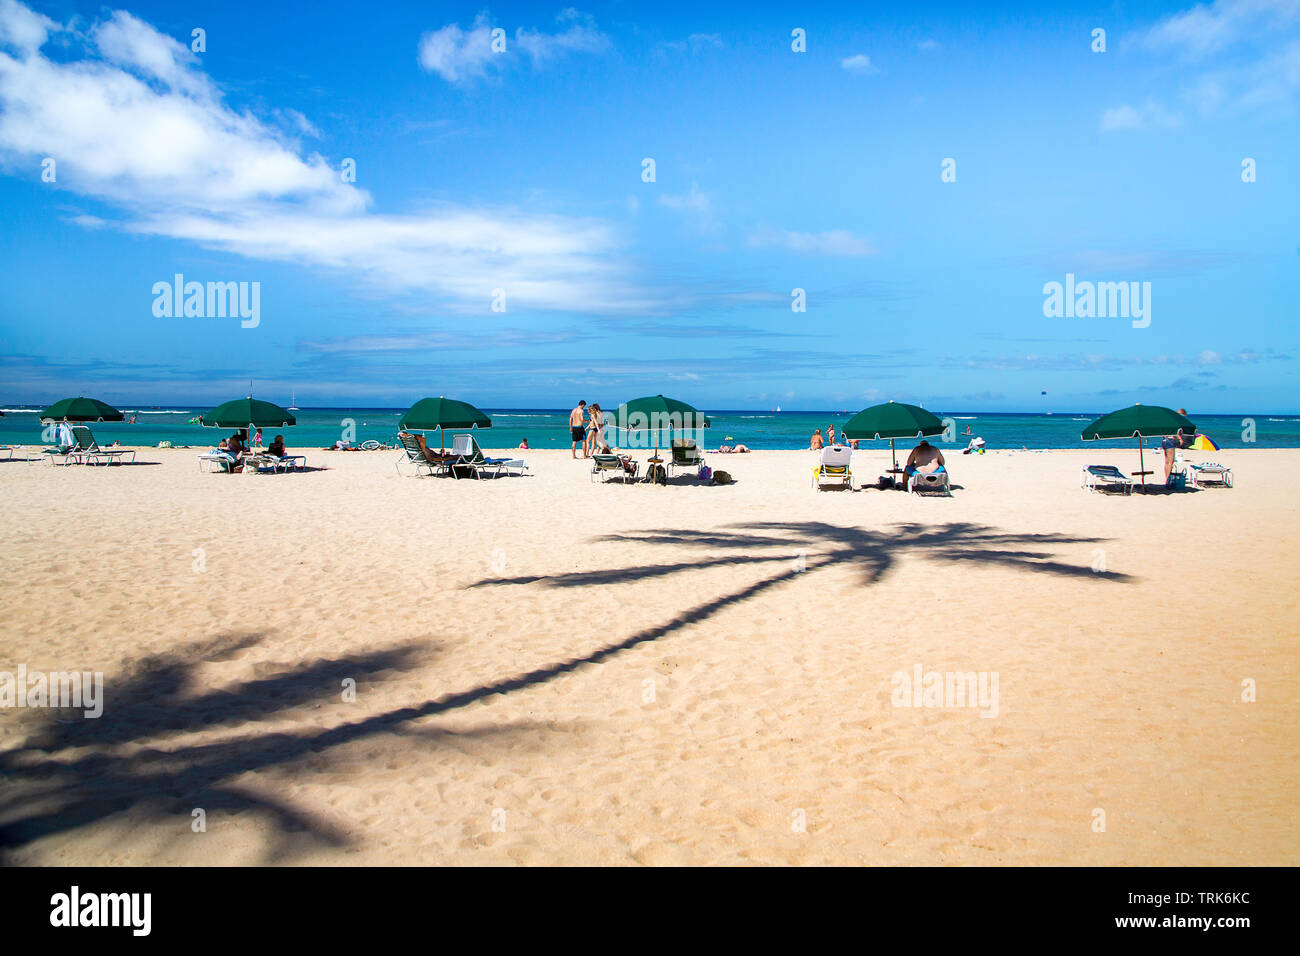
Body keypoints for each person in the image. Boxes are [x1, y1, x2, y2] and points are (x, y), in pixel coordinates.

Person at [1162, 408, 1194, 482]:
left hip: (1165, 440)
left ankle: (1167, 478)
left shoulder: (1169, 420)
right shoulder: (1175, 420)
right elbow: (1174, 431)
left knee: (1167, 462)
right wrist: (1180, 439)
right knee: (1170, 462)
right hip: (1170, 440)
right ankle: (1168, 480)